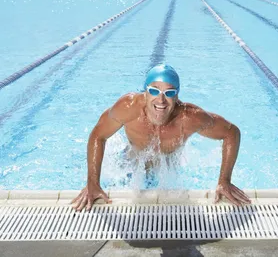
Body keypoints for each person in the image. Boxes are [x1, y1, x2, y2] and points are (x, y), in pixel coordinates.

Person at [71, 64, 251, 211]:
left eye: (169, 93)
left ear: (177, 95)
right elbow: (98, 135)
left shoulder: (190, 117)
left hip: (169, 164)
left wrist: (224, 181)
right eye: (154, 91)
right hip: (132, 161)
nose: (161, 100)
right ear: (145, 92)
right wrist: (92, 183)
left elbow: (231, 133)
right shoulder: (128, 108)